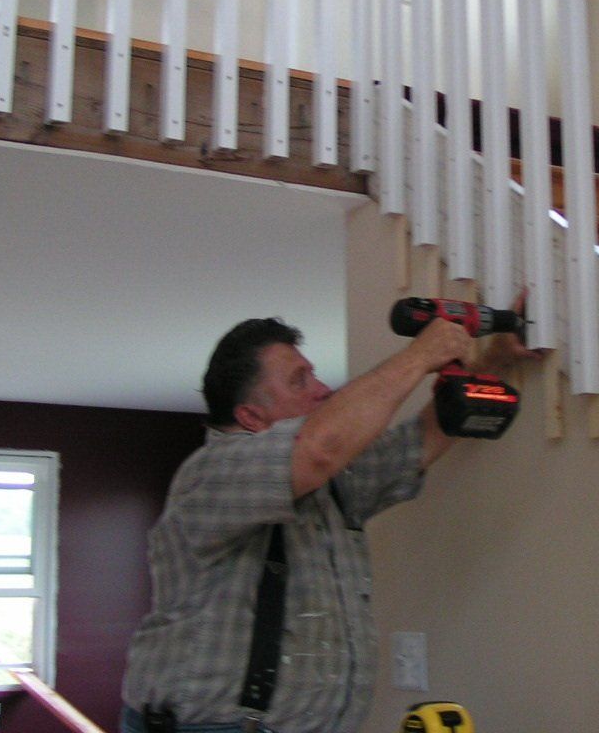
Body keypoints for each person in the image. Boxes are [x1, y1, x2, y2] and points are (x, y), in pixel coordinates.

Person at [120, 308, 530, 733]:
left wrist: (496, 360)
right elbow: (320, 448)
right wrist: (420, 355)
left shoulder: (329, 486)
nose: (321, 390)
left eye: (313, 375)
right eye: (299, 381)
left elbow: (416, 444)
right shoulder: (212, 473)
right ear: (251, 417)